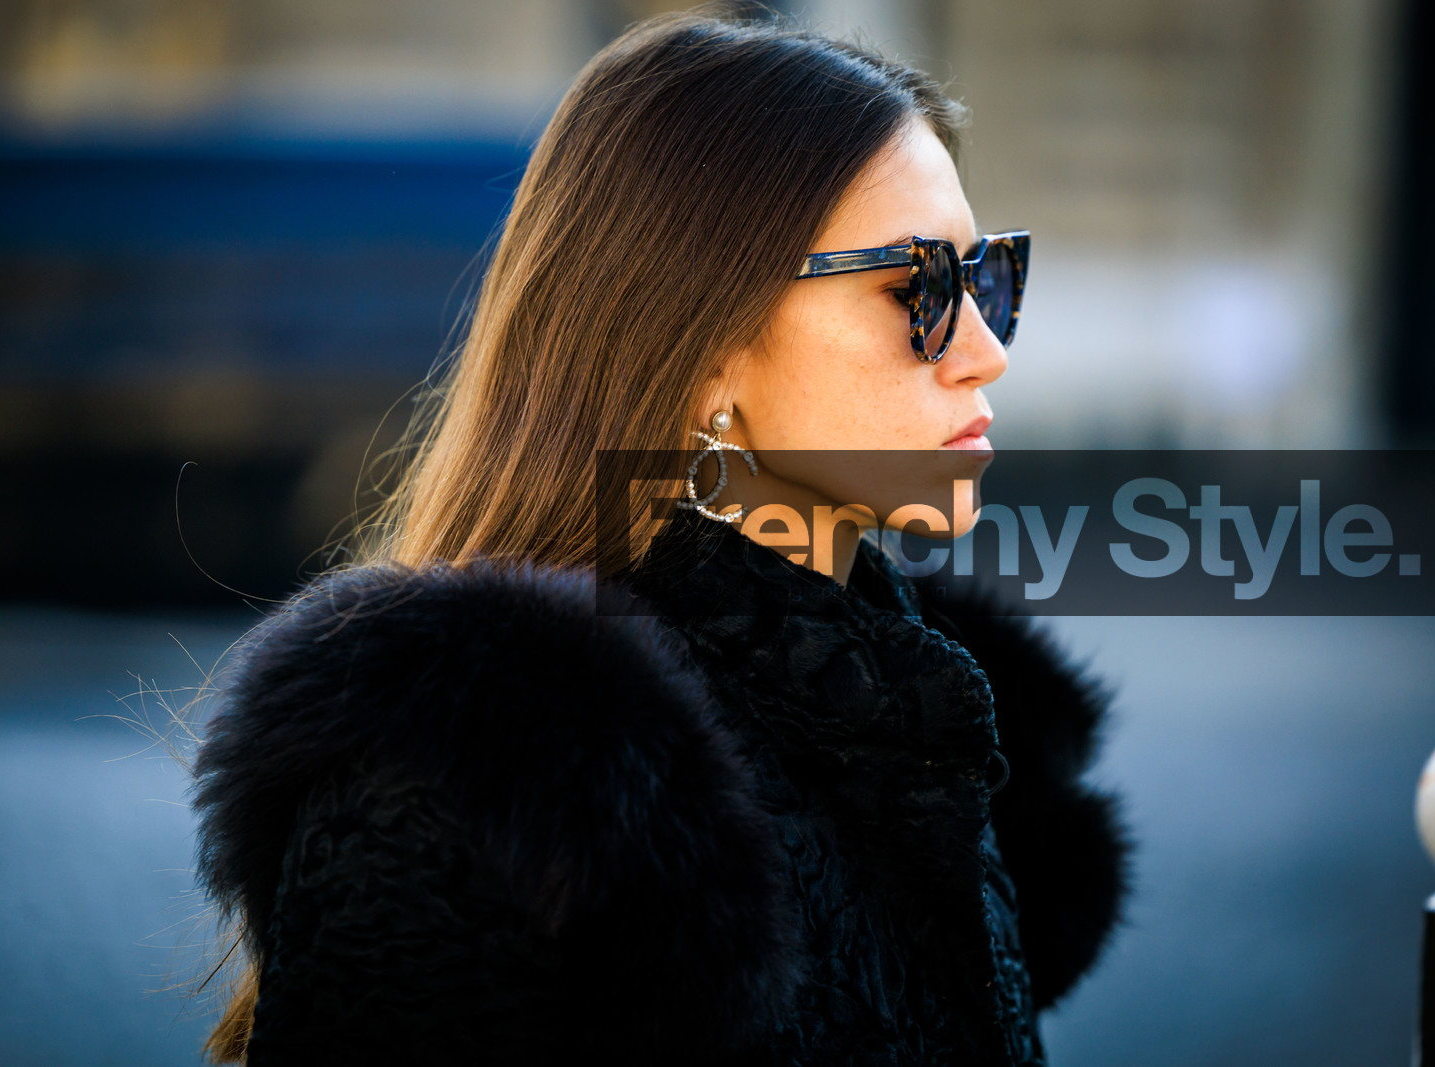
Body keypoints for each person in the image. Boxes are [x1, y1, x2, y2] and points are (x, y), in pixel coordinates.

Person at [190, 10, 1133, 1065]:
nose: (981, 352)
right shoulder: (474, 784)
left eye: (988, 280)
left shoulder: (942, 744)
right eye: (915, 287)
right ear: (705, 345)